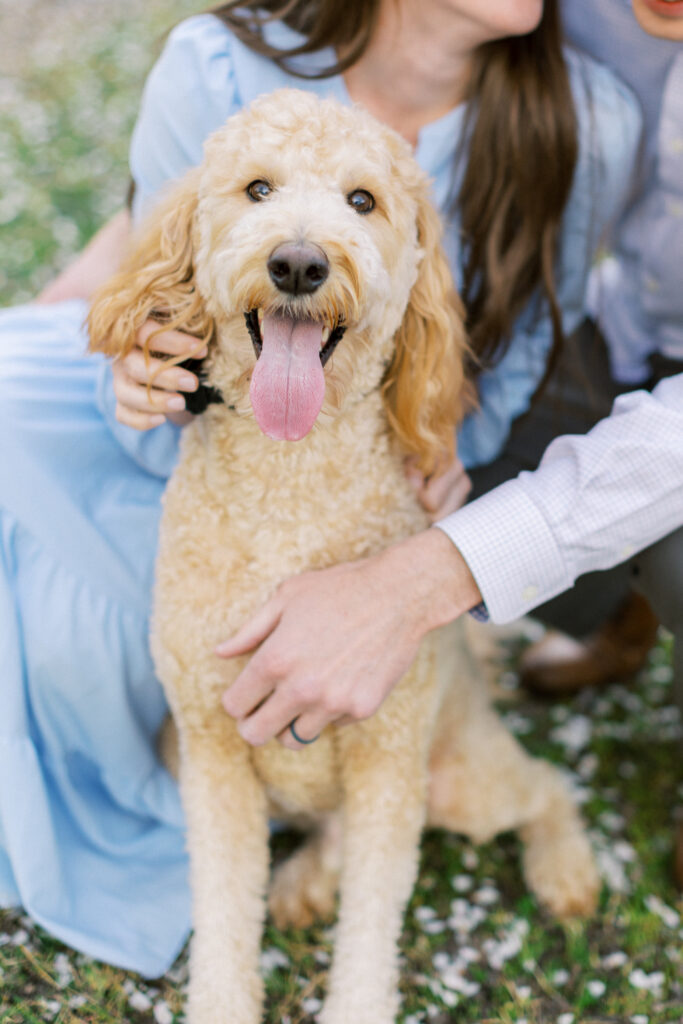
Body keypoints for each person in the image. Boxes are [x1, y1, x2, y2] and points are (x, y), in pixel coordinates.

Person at [0, 0, 640, 975]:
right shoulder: (212, 65)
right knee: (104, 668)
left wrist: (439, 443)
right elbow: (154, 276)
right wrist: (132, 373)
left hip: (371, 447)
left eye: (356, 202)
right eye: (263, 190)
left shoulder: (585, 118)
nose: (304, 237)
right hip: (173, 445)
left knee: (370, 717)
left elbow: (507, 360)